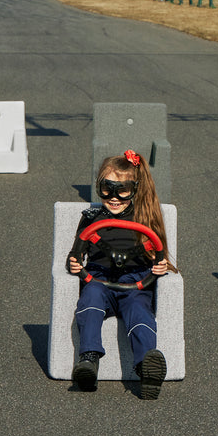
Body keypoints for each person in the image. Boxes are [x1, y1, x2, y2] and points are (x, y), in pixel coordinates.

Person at [66, 149, 176, 399]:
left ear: (135, 189)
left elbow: (159, 255)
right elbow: (75, 254)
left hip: (134, 283)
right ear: (99, 187)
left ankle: (145, 367)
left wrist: (159, 268)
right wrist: (73, 265)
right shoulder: (91, 218)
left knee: (139, 312)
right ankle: (89, 360)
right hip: (98, 279)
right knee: (90, 299)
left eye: (122, 190)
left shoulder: (145, 218)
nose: (114, 198)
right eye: (107, 189)